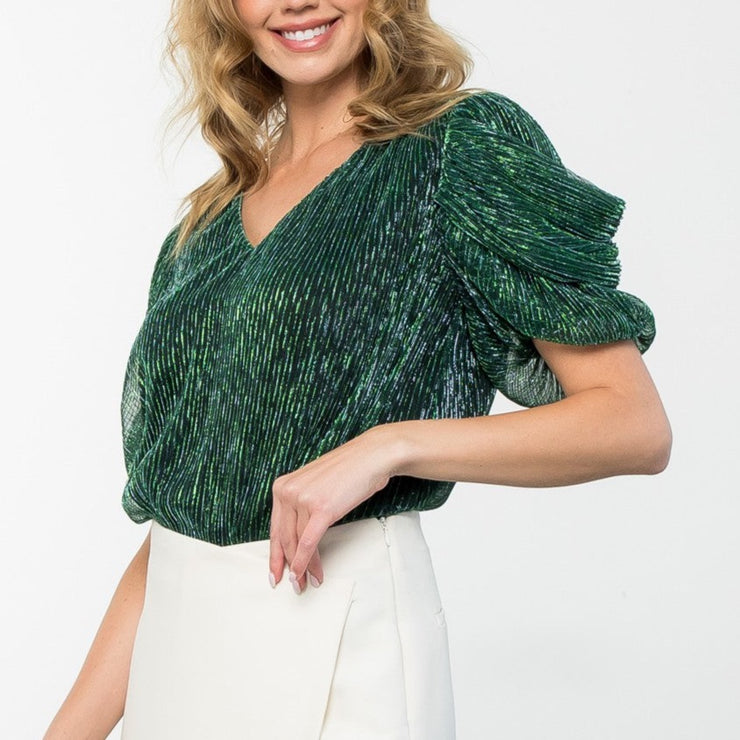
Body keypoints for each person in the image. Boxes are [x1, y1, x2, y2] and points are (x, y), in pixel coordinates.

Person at [44, 0, 672, 738]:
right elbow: (175, 529)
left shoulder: (456, 149)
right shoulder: (205, 225)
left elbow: (632, 423)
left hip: (339, 637)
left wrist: (388, 447)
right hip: (174, 666)